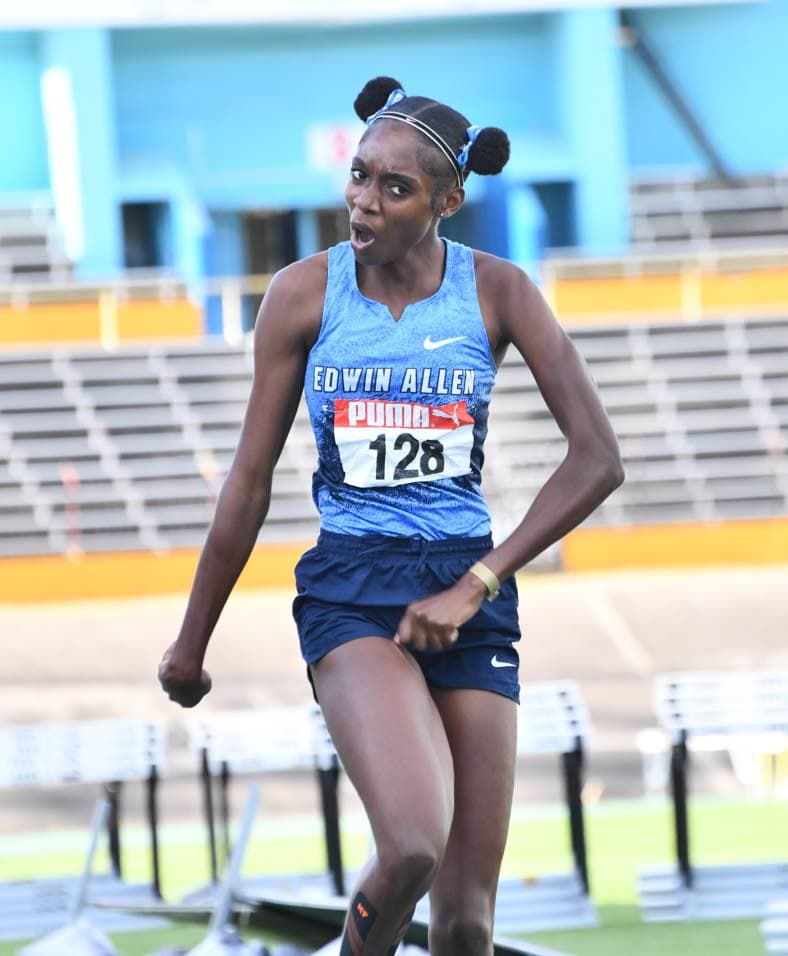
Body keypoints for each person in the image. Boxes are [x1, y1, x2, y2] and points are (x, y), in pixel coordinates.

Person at [159, 76, 624, 956]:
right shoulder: (303, 295)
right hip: (354, 596)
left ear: (449, 200)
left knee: (466, 921)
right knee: (411, 844)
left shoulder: (499, 293)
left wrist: (478, 583)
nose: (363, 203)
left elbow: (598, 458)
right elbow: (248, 486)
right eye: (360, 176)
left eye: (395, 188)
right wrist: (192, 642)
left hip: (468, 594)